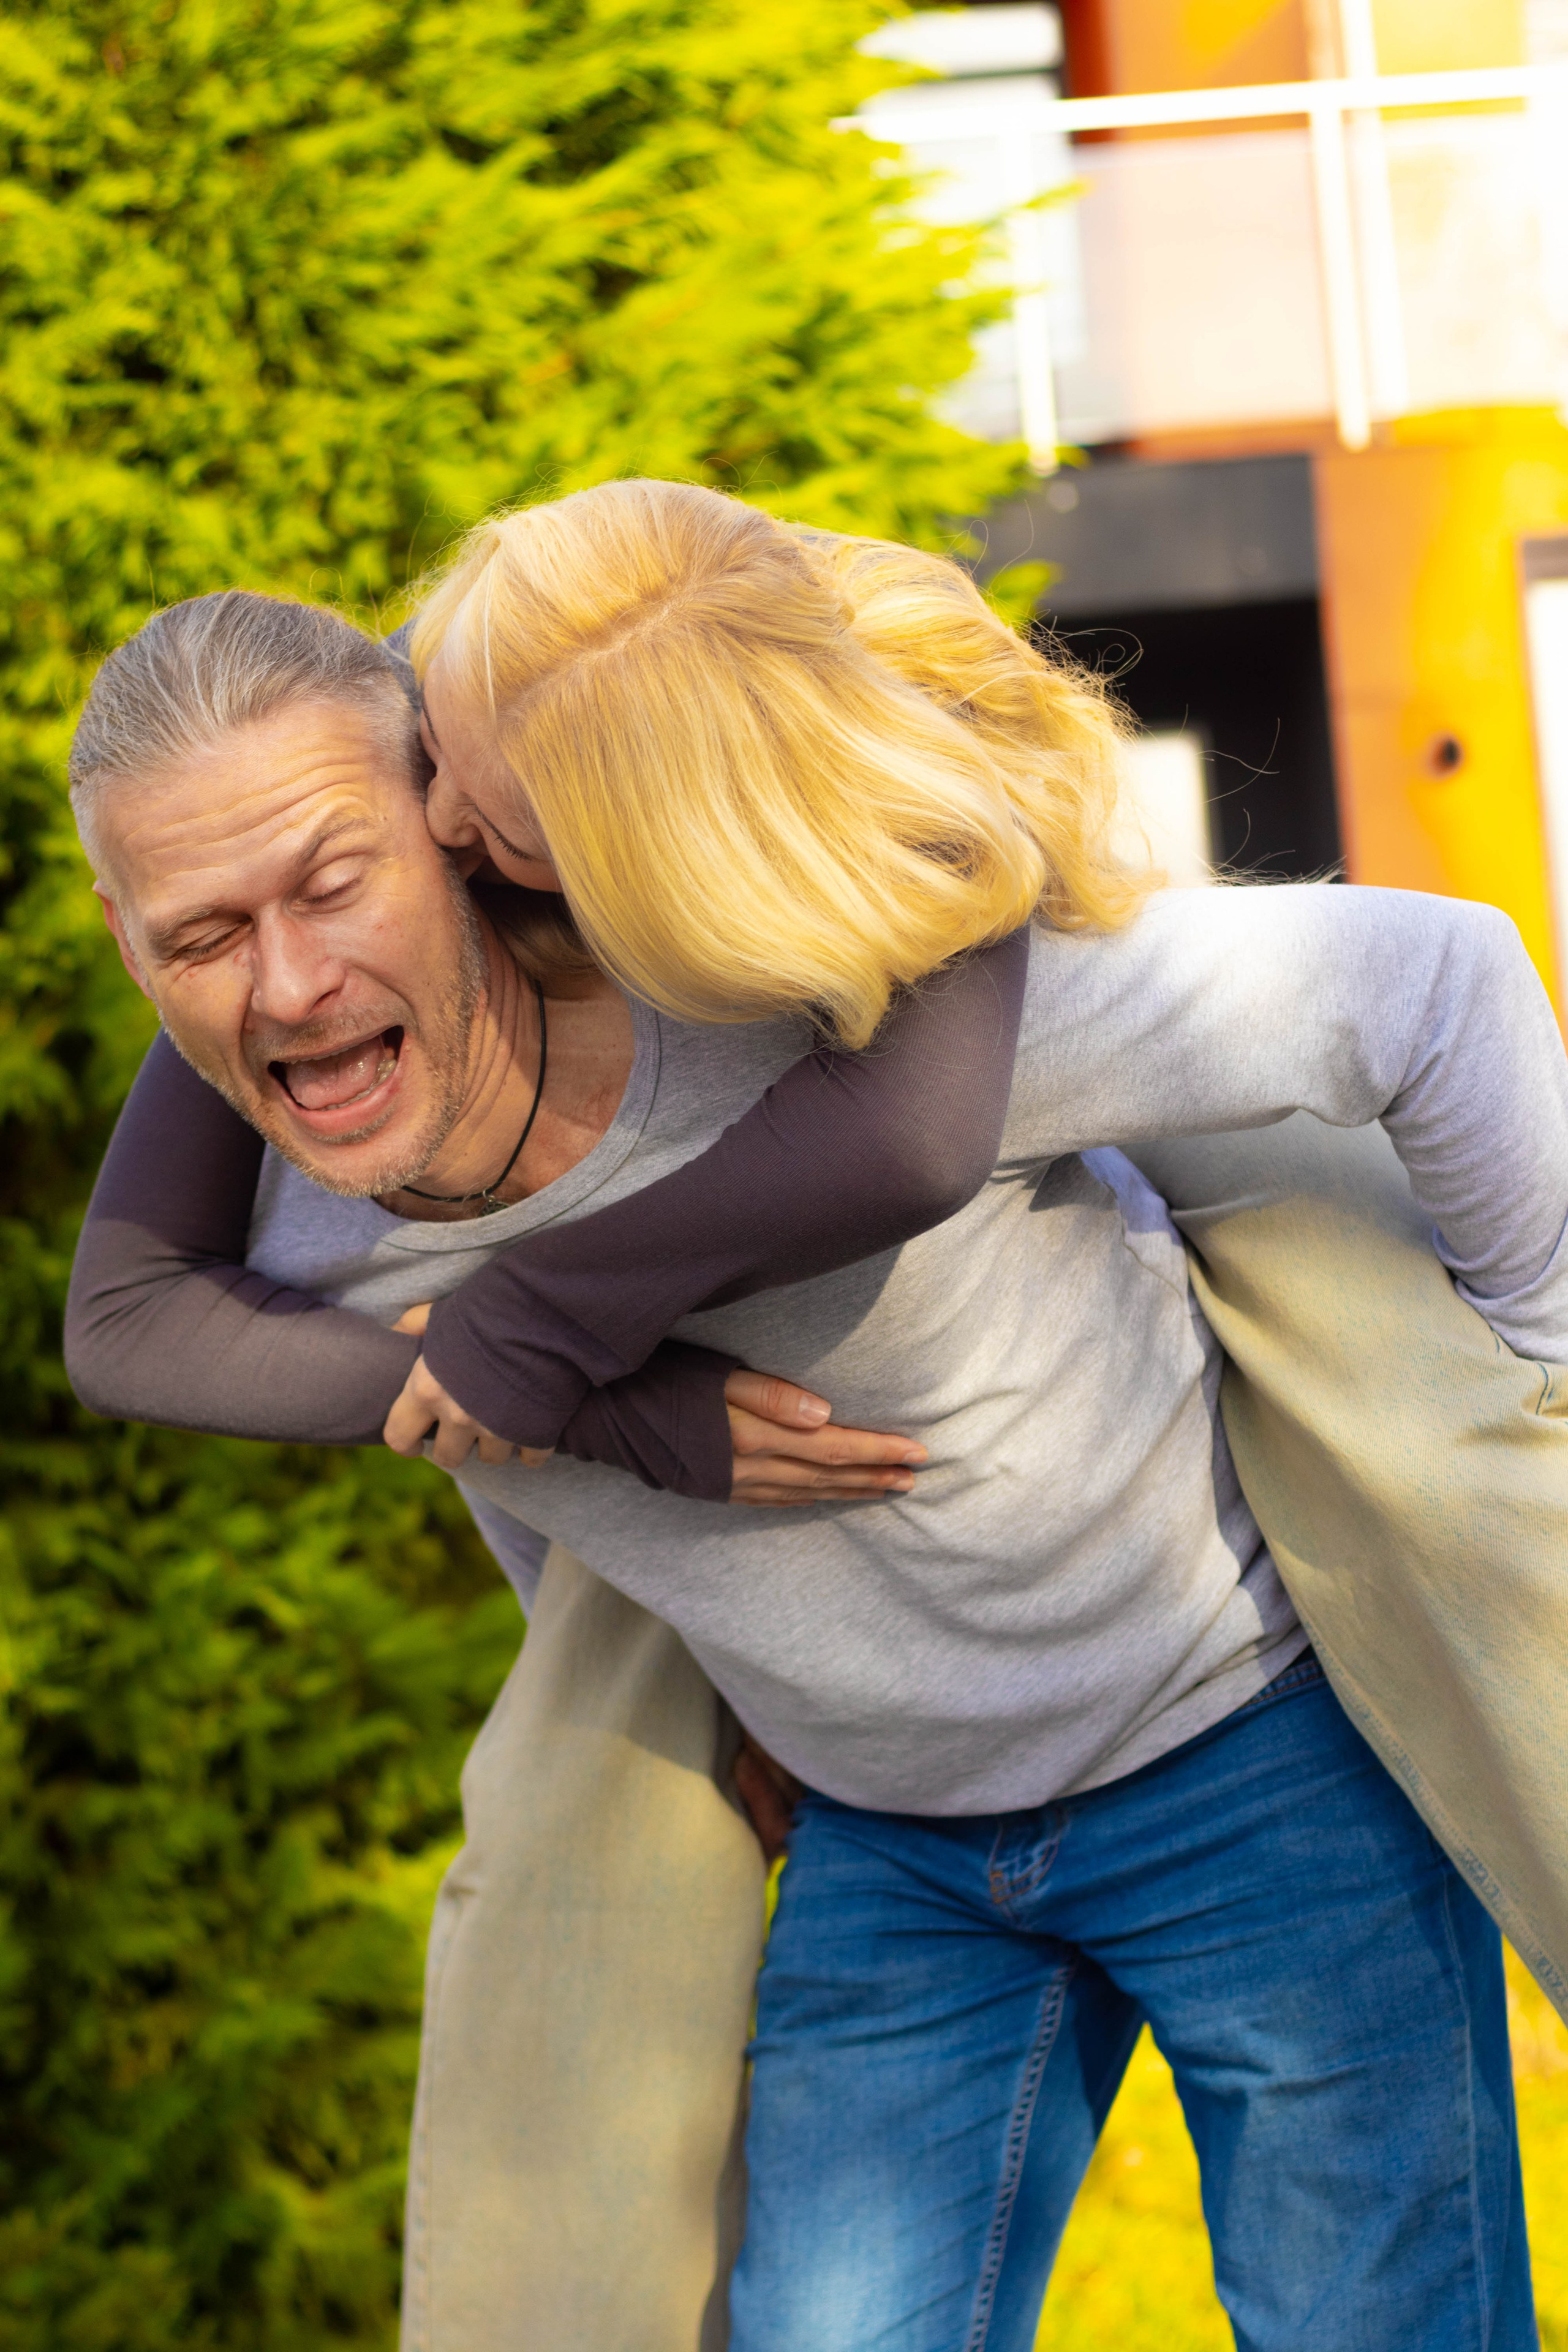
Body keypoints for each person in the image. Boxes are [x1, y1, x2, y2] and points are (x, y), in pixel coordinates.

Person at [64, 481, 1568, 2348]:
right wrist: (639, 1473)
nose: (289, 979)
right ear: (133, 948)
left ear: (461, 833)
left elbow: (1436, 982)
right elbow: (463, 1447)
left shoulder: (800, 986)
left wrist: (1539, 1372)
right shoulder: (302, 1226)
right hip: (894, 1848)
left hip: (1249, 1757)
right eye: (206, 931)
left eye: (335, 877)